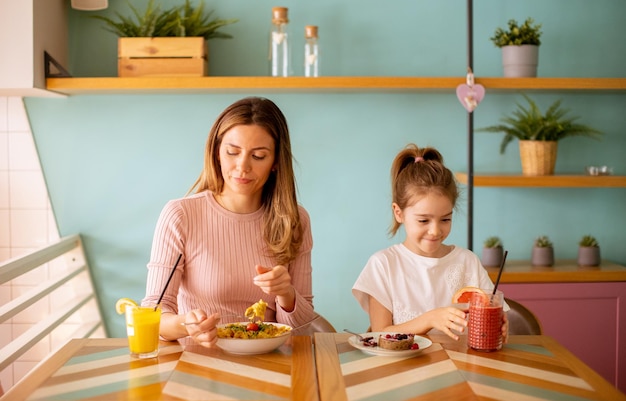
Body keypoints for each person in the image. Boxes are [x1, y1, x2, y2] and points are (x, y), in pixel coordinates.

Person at [142, 97, 316, 348]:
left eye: (258, 156)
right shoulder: (181, 215)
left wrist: (286, 294)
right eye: (232, 152)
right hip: (198, 365)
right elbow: (153, 315)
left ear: (276, 161)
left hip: (271, 367)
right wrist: (187, 325)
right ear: (217, 152)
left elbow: (302, 329)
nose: (242, 166)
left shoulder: (295, 220)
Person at [352, 144, 508, 341]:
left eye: (445, 219)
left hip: (461, 366)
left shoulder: (467, 261)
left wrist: (500, 323)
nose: (435, 231)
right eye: (423, 220)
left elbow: (490, 308)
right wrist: (430, 319)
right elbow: (380, 333)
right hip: (403, 370)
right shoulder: (383, 264)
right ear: (398, 213)